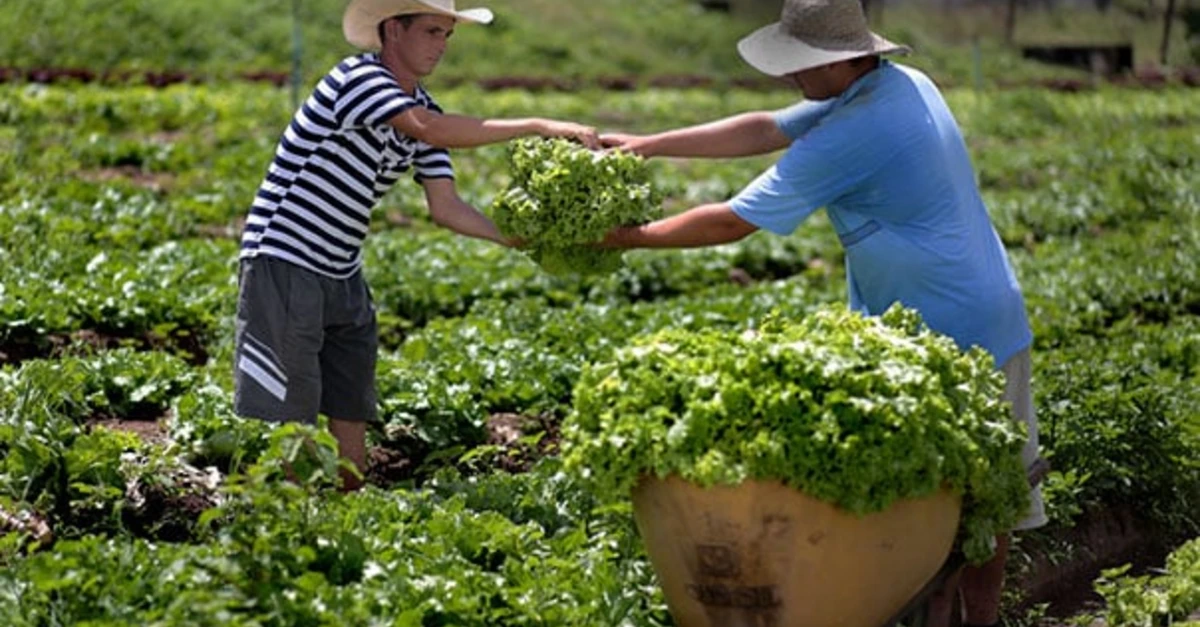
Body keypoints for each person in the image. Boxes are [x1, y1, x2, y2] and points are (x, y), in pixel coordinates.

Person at [598, 0, 1046, 624]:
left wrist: (629, 237)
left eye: (799, 64)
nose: (790, 76)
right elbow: (765, 127)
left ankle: (981, 619)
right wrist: (647, 145)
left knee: (985, 498)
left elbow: (734, 221)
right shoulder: (894, 85)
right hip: (950, 310)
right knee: (949, 498)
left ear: (840, 61)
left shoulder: (860, 130)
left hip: (962, 323)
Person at [233, 0, 597, 491]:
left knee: (350, 397)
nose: (441, 45)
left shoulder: (425, 109)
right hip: (285, 254)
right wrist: (539, 125)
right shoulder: (358, 79)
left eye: (447, 35)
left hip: (341, 266)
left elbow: (446, 207)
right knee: (293, 405)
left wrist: (521, 240)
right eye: (431, 31)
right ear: (393, 31)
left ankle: (349, 503)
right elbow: (428, 130)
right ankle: (296, 515)